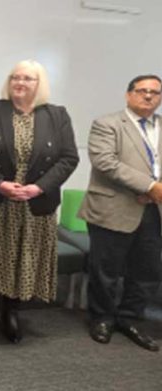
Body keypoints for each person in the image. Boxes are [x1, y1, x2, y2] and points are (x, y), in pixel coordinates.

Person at [0, 60, 79, 343]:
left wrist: (38, 188)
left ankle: (12, 312)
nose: (20, 83)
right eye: (15, 77)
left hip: (35, 204)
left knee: (24, 259)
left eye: (28, 78)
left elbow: (69, 158)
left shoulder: (57, 115)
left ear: (40, 84)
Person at [78, 74, 162, 352]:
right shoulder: (108, 123)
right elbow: (105, 162)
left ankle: (129, 318)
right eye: (142, 91)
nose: (148, 96)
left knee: (146, 270)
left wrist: (154, 191)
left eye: (155, 92)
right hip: (113, 207)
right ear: (128, 95)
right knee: (106, 270)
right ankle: (102, 317)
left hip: (154, 211)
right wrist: (150, 186)